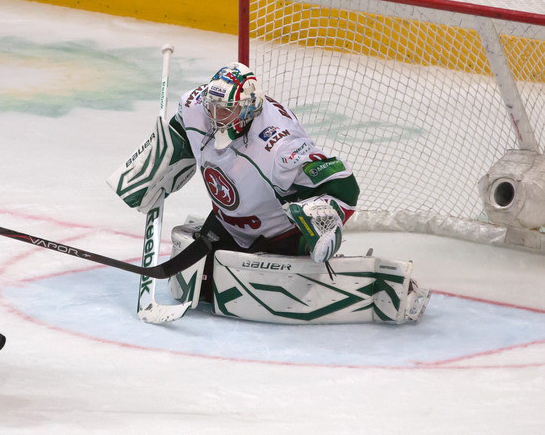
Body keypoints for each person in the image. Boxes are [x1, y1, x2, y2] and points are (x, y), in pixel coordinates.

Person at [109, 62, 431, 324]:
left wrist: (325, 220)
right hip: (230, 221)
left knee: (278, 282)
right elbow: (180, 133)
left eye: (227, 110)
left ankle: (384, 283)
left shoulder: (280, 147)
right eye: (214, 107)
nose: (217, 117)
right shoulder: (197, 107)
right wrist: (156, 167)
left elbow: (343, 185)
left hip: (282, 232)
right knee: (203, 291)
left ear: (249, 108)